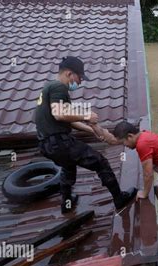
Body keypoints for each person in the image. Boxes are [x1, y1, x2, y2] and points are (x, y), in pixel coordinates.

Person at [34, 56, 137, 214]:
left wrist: (92, 130)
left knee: (68, 167)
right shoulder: (58, 87)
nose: (80, 82)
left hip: (47, 145)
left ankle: (66, 203)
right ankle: (119, 198)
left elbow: (68, 121)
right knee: (100, 161)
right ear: (69, 74)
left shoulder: (49, 87)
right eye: (79, 77)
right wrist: (86, 116)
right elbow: (59, 114)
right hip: (58, 142)